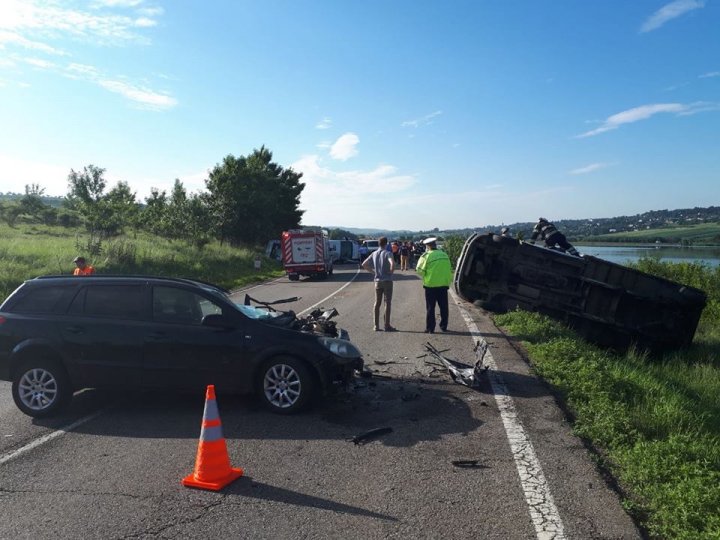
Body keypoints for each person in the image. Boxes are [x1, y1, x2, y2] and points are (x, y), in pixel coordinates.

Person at [415, 237, 453, 333]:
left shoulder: (426, 256)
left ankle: (430, 328)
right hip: (443, 285)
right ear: (435, 244)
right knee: (444, 307)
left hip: (431, 285)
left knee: (431, 307)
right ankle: (444, 326)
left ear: (427, 246)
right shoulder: (444, 255)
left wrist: (427, 275)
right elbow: (449, 268)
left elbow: (419, 271)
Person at [361, 236, 396, 331]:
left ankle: (376, 325)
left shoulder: (374, 253)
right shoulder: (388, 253)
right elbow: (391, 262)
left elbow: (364, 264)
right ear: (386, 243)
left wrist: (373, 272)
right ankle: (387, 325)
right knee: (387, 303)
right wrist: (391, 270)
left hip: (377, 281)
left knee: (377, 303)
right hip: (387, 280)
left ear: (378, 243)